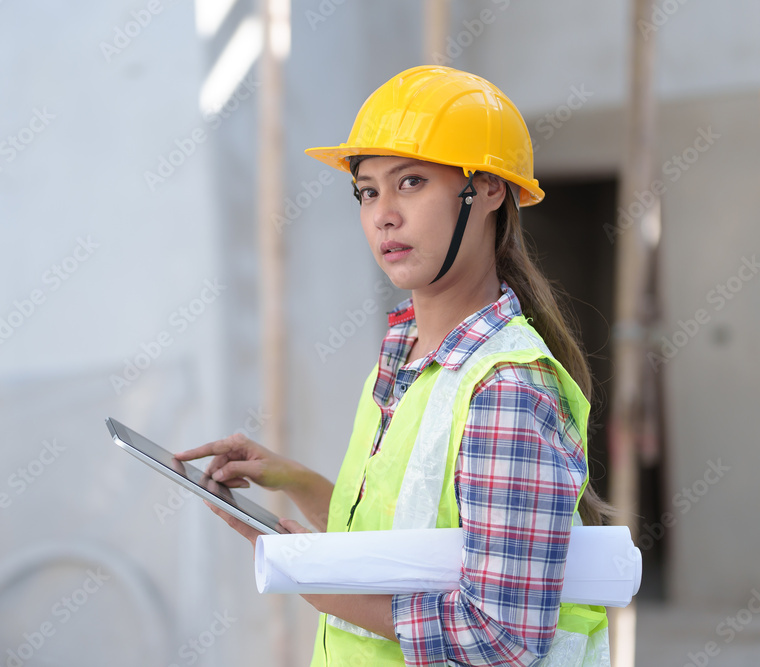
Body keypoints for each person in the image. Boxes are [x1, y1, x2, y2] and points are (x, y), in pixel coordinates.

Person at [175, 65, 613, 666]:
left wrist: (308, 576)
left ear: (487, 189)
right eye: (368, 190)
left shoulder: (504, 388)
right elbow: (398, 546)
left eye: (410, 183)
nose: (383, 214)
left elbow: (500, 638)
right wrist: (296, 481)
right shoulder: (405, 353)